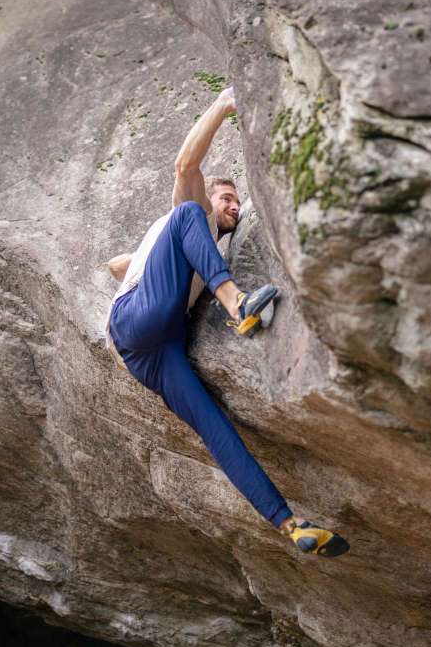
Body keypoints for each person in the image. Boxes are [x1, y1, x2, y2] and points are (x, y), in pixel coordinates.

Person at [103, 87, 349, 558]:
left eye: (237, 202)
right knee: (187, 215)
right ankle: (237, 305)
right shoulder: (192, 214)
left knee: (215, 428)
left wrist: (136, 261)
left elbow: (117, 266)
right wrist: (222, 105)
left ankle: (290, 524)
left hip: (153, 352)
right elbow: (184, 165)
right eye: (229, 198)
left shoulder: (197, 248)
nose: (235, 207)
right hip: (136, 320)